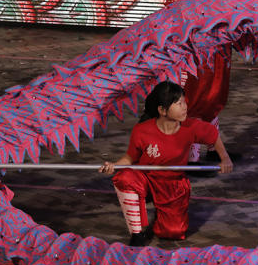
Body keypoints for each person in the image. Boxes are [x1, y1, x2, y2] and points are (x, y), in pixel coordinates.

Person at [99, 81, 233, 246]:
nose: (185, 107)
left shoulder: (190, 127)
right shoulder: (142, 130)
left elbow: (212, 135)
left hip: (172, 184)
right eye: (178, 104)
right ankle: (137, 233)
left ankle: (162, 216)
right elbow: (130, 158)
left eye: (184, 102)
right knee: (125, 178)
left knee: (173, 232)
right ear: (162, 110)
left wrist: (224, 158)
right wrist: (114, 166)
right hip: (145, 179)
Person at [180, 0, 233, 162]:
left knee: (215, 97)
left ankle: (212, 146)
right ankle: (192, 155)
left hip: (220, 51)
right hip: (204, 53)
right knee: (200, 98)